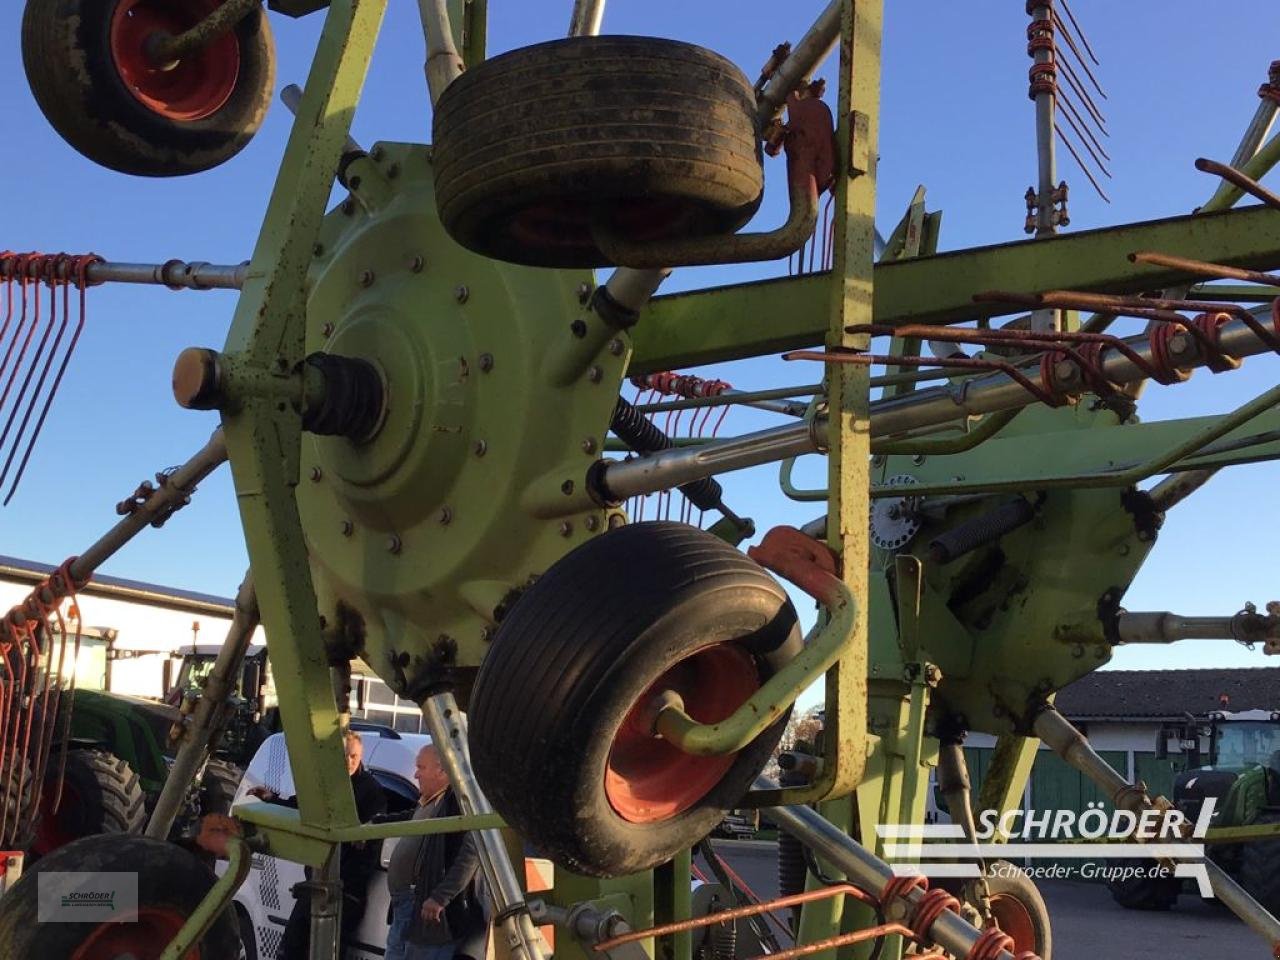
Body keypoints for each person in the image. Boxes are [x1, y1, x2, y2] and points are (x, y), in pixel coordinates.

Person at [249, 729, 387, 959]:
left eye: (353, 756)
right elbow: (303, 809)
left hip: (345, 890)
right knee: (293, 947)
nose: (348, 761)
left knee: (328, 951)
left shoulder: (371, 792)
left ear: (360, 756)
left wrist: (360, 840)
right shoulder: (326, 784)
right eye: (344, 755)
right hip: (315, 880)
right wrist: (273, 800)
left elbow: (374, 840)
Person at [384, 746, 487, 960]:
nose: (416, 774)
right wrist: (372, 825)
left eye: (421, 767)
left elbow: (471, 852)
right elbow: (405, 818)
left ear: (442, 771)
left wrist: (440, 897)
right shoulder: (432, 801)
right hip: (409, 903)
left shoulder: (456, 803)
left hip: (427, 910)